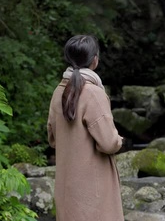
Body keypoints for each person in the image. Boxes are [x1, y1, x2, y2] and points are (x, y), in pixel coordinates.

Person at [47, 35, 124, 221]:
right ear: (95, 60)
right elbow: (108, 143)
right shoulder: (93, 93)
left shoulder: (59, 91)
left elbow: (53, 138)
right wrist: (119, 140)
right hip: (93, 188)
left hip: (67, 185)